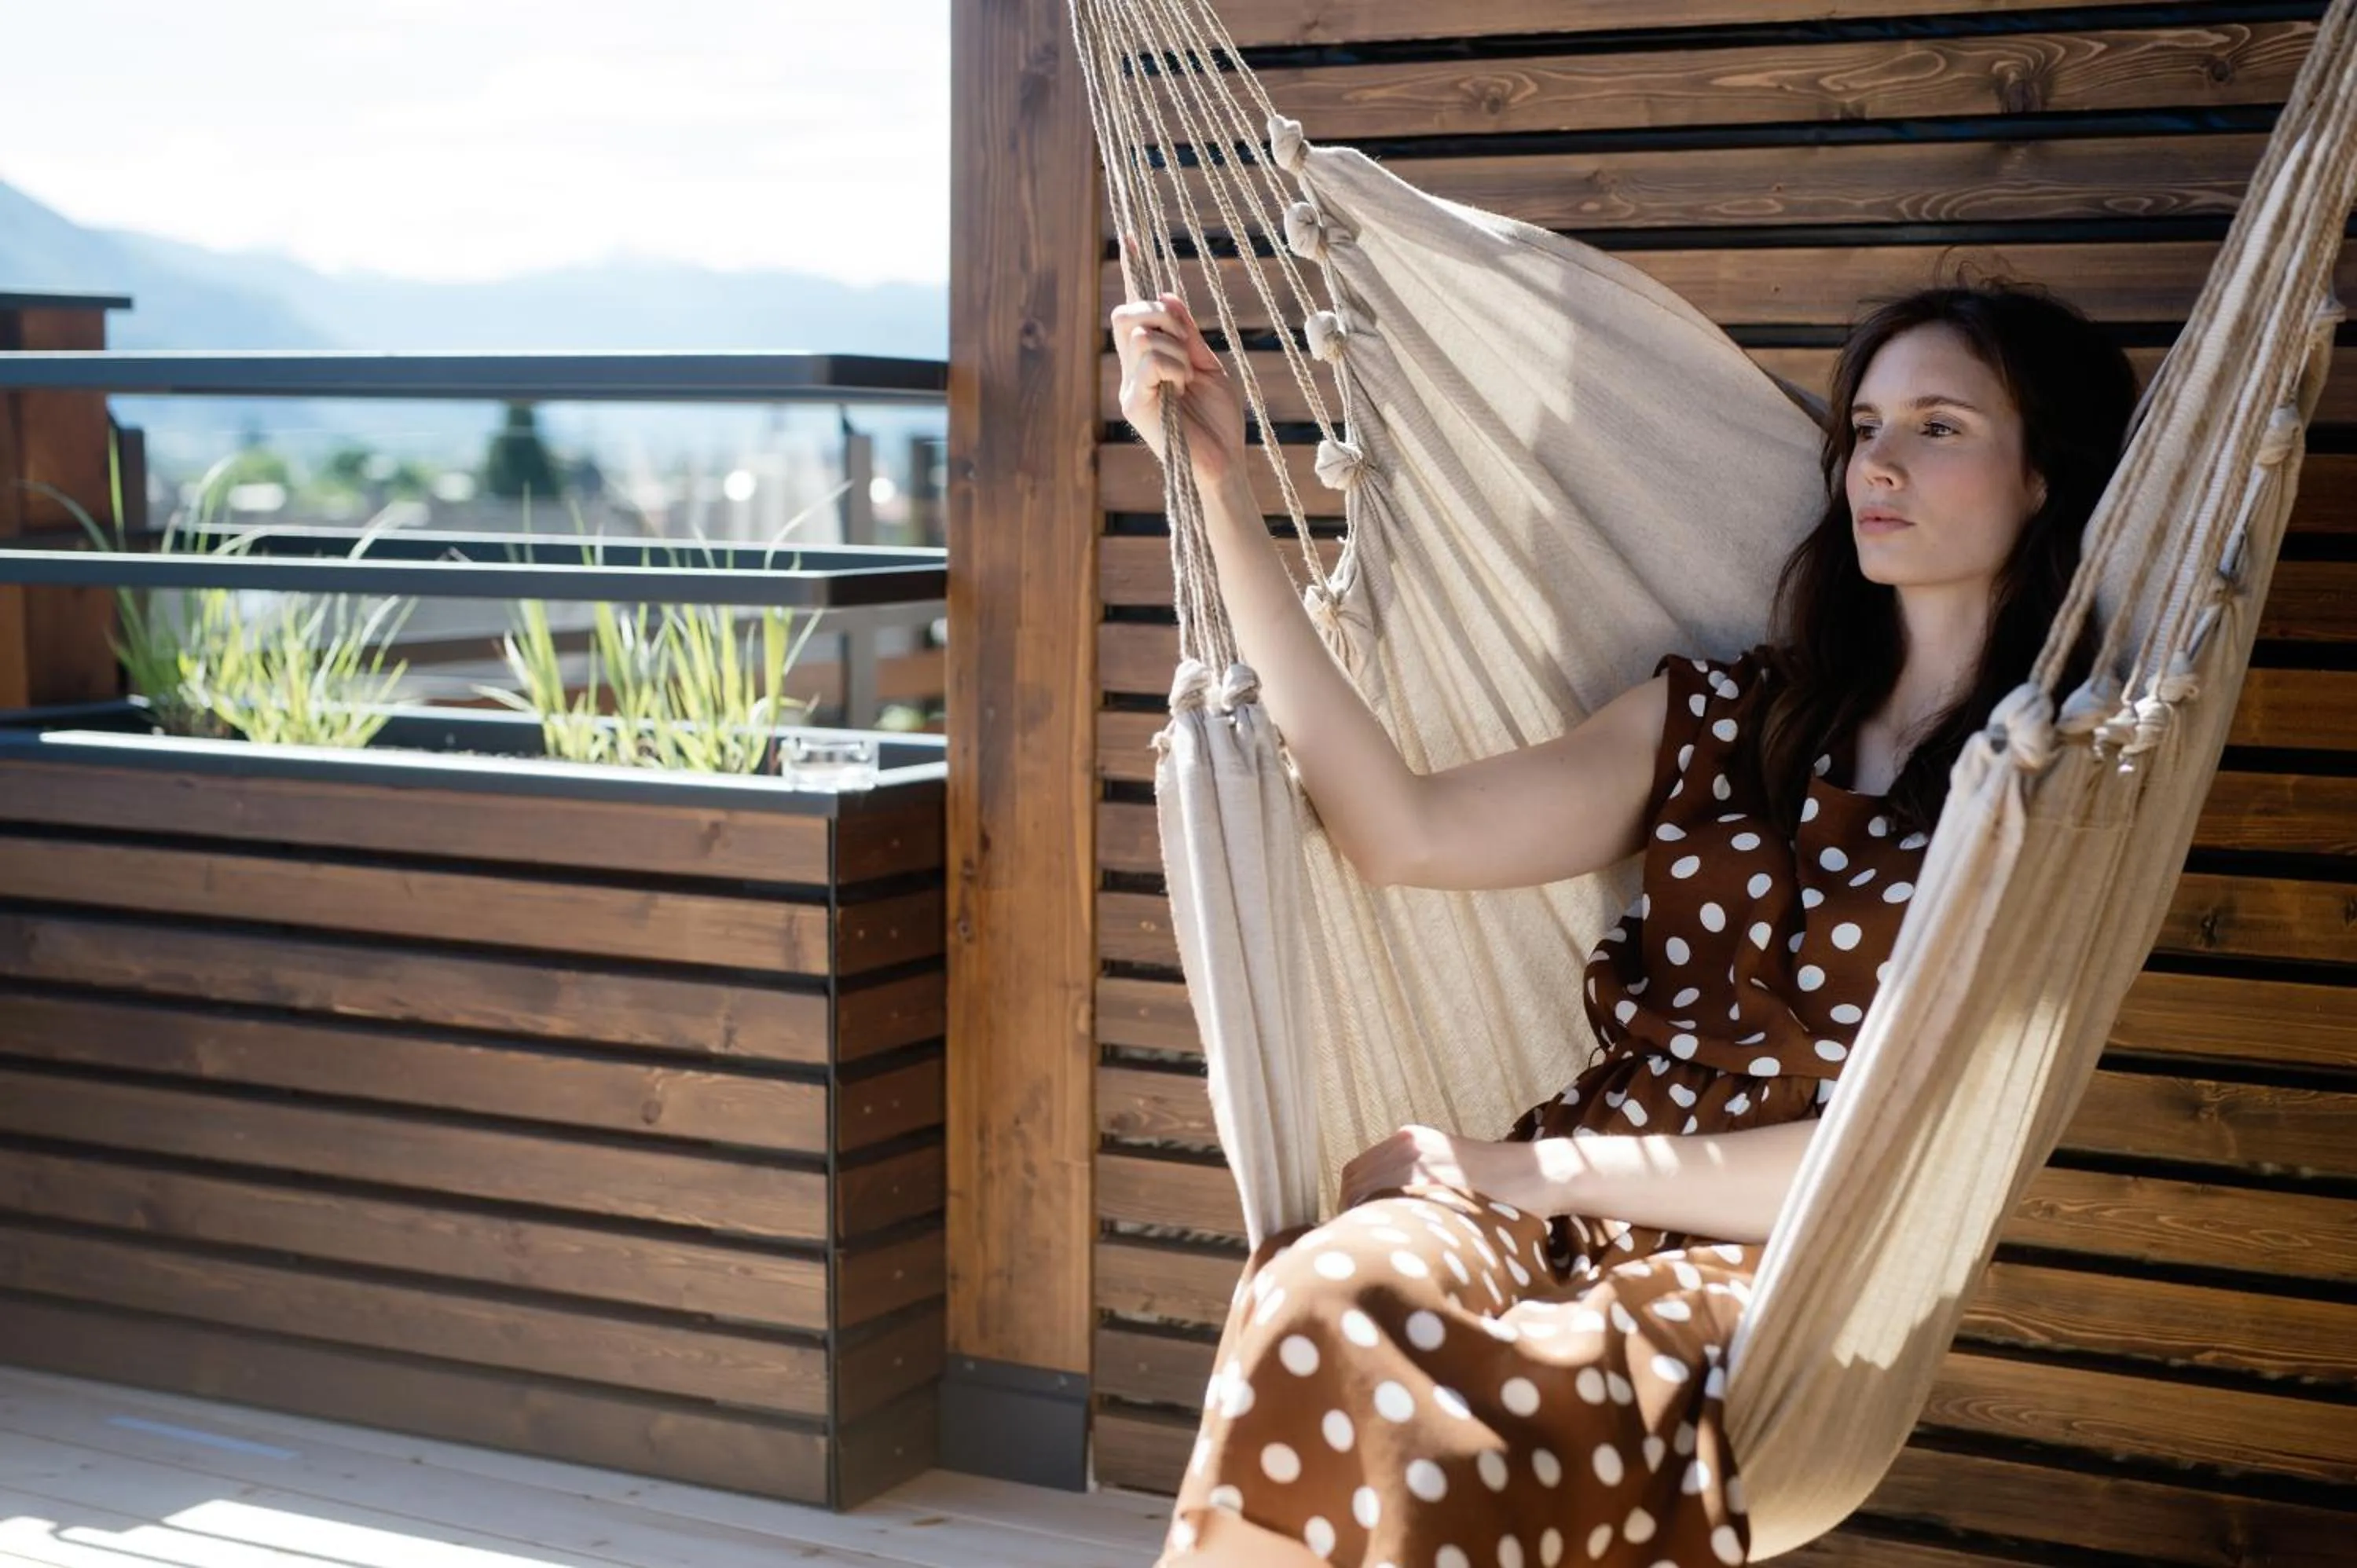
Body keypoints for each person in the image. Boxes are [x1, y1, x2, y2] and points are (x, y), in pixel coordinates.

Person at [1109, 277, 2139, 1568]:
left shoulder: (2041, 797)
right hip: (1553, 1197)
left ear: (2045, 477)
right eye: (1864, 428)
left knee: (1455, 1422)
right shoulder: (1729, 718)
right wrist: (1218, 491)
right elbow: (1402, 831)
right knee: (1319, 1291)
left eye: (1939, 427)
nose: (1879, 462)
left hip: (1780, 1267)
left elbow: (1904, 1153)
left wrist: (1521, 1168)